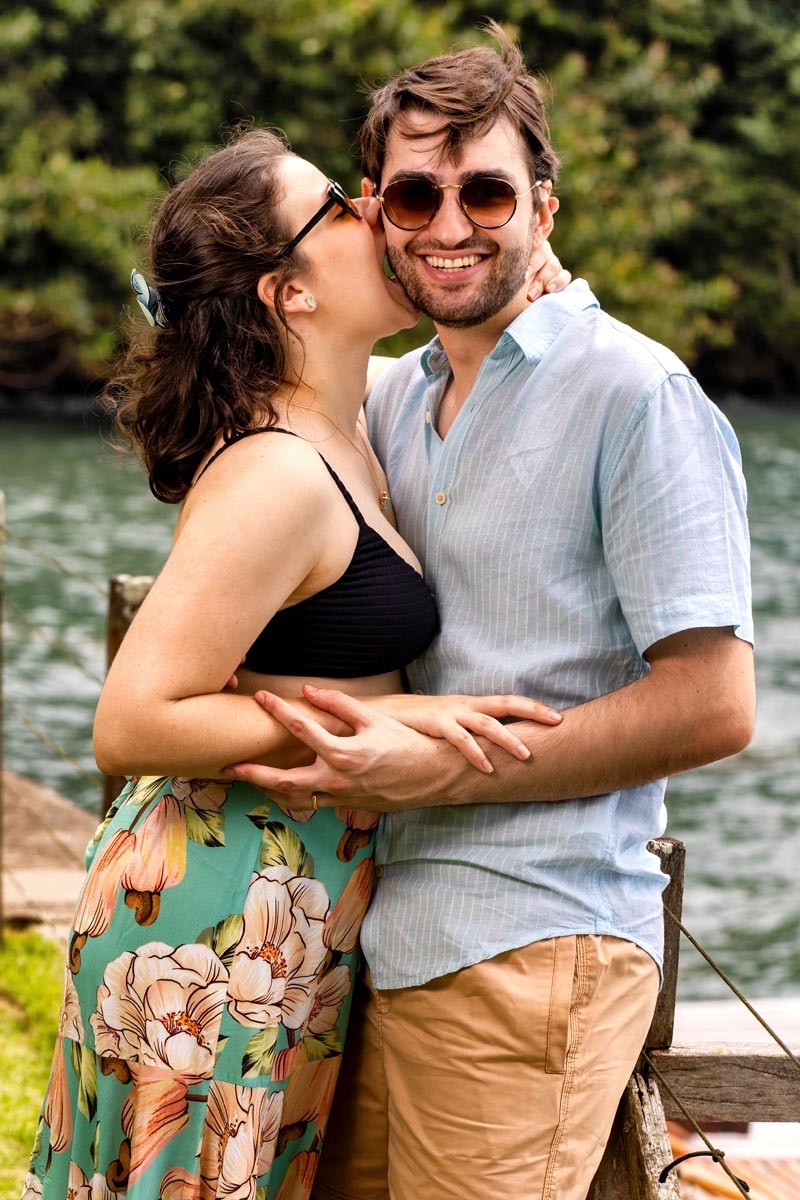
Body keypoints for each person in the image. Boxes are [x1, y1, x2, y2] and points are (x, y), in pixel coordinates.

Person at [225, 26, 756, 1200]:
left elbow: (715, 706)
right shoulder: (391, 399)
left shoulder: (635, 393)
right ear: (376, 212)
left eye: (487, 193)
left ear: (544, 209)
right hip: (373, 942)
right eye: (416, 195)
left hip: (534, 944)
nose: (451, 223)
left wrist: (444, 772)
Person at [22, 126, 568, 1200]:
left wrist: (521, 289)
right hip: (214, 917)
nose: (375, 211)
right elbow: (131, 721)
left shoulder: (348, 419)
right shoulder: (275, 470)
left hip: (284, 910)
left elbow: (469, 345)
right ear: (289, 292)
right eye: (338, 205)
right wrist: (382, 723)